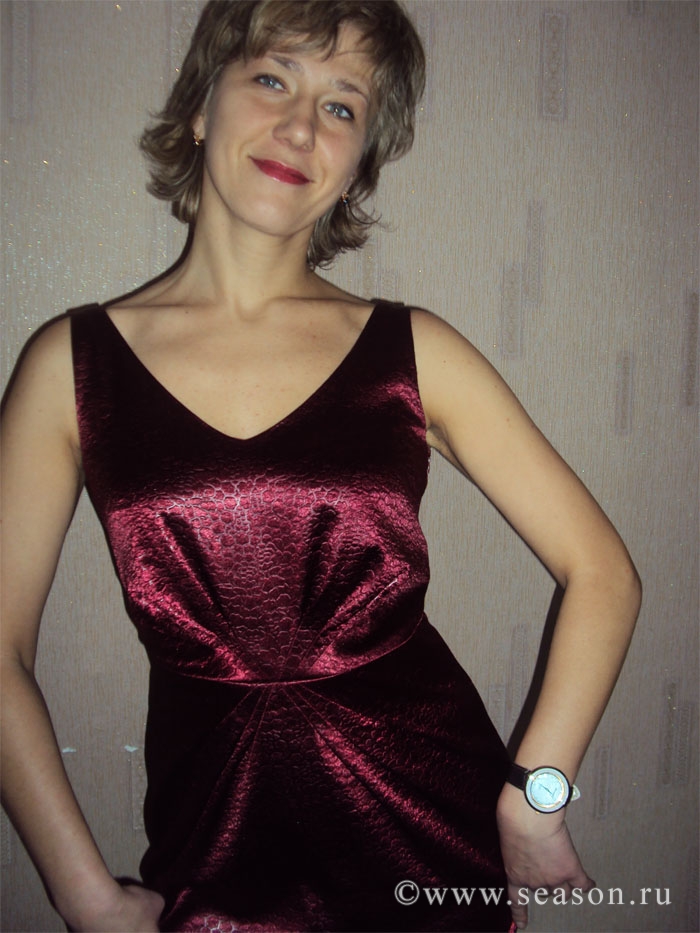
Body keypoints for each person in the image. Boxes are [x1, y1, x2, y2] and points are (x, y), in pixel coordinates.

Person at [0, 1, 641, 931]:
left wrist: (535, 800)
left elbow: (604, 572)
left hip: (435, 842)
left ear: (357, 164)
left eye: (342, 106)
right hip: (215, 858)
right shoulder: (70, 366)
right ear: (201, 106)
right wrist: (85, 896)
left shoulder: (414, 352)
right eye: (272, 78)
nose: (301, 126)